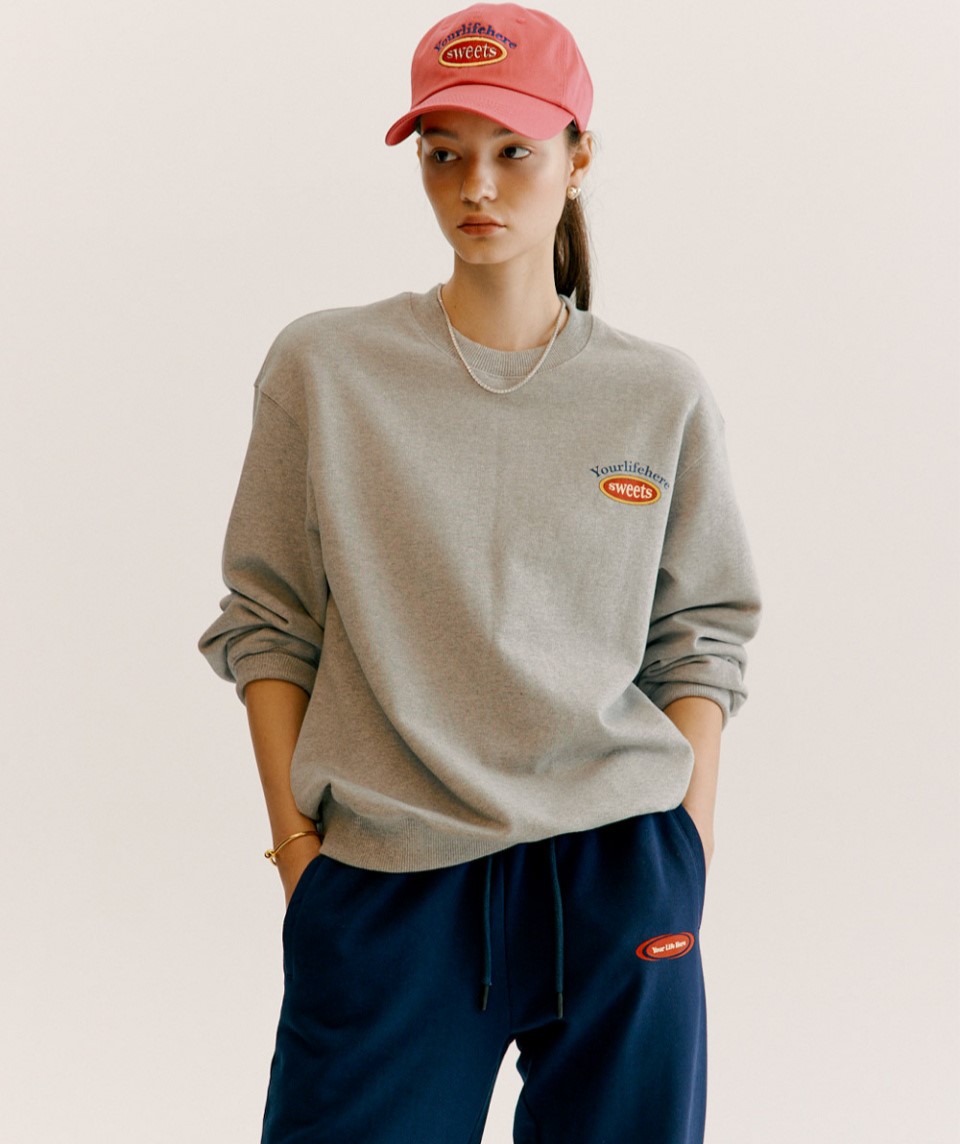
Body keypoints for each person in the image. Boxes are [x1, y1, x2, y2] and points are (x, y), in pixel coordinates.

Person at [198, 4, 761, 1141]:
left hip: (618, 875)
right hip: (390, 878)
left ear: (579, 155)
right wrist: (300, 856)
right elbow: (269, 622)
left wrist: (685, 853)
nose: (478, 187)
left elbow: (699, 635)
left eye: (514, 151)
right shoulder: (327, 368)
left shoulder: (658, 393)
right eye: (445, 153)